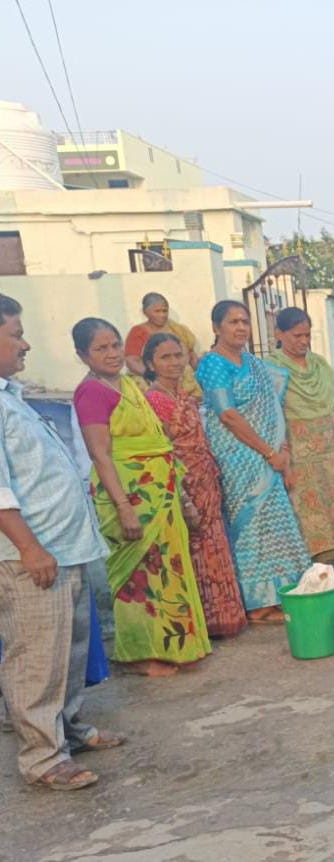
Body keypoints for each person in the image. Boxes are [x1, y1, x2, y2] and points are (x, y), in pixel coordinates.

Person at [0, 296, 123, 790]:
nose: (25, 344)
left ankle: (68, 730)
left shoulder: (11, 397)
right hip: (33, 554)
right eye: (15, 334)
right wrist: (29, 548)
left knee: (68, 652)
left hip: (63, 547)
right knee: (36, 658)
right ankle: (43, 757)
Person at [72, 318, 211, 677]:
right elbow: (100, 454)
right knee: (138, 577)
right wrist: (124, 507)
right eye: (101, 348)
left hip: (159, 491)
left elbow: (160, 439)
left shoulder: (131, 385)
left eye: (115, 345)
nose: (112, 354)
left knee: (166, 571)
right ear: (82, 355)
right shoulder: (91, 392)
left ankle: (172, 646)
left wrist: (182, 497)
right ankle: (140, 653)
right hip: (129, 496)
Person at [196, 301, 312, 623]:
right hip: (238, 458)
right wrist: (269, 453)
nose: (241, 328)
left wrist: (282, 453)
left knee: (275, 528)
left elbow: (274, 409)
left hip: (268, 458)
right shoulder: (213, 364)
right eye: (233, 322)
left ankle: (280, 595)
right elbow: (228, 415)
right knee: (251, 529)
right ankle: (258, 604)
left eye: (245, 322)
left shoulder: (254, 364)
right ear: (216, 328)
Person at [143, 333, 247, 638]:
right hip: (182, 483)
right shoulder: (154, 400)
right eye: (165, 357)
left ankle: (222, 619)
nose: (174, 363)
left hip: (205, 478)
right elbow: (166, 448)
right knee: (192, 547)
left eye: (178, 355)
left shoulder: (187, 397)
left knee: (214, 542)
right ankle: (199, 623)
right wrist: (183, 492)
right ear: (150, 364)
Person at [265, 308, 334, 561]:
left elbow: (332, 400)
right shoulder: (271, 370)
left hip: (328, 453)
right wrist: (283, 460)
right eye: (297, 336)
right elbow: (269, 417)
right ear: (279, 334)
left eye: (307, 335)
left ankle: (329, 574)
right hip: (297, 457)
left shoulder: (318, 365)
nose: (304, 341)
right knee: (307, 517)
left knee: (333, 512)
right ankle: (313, 576)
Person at [124, 292, 201, 399]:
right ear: (145, 312)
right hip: (149, 378)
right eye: (157, 311)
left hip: (182, 377)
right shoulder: (138, 332)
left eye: (165, 311)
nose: (162, 315)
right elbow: (131, 360)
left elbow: (191, 355)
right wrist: (152, 376)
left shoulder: (178, 330)